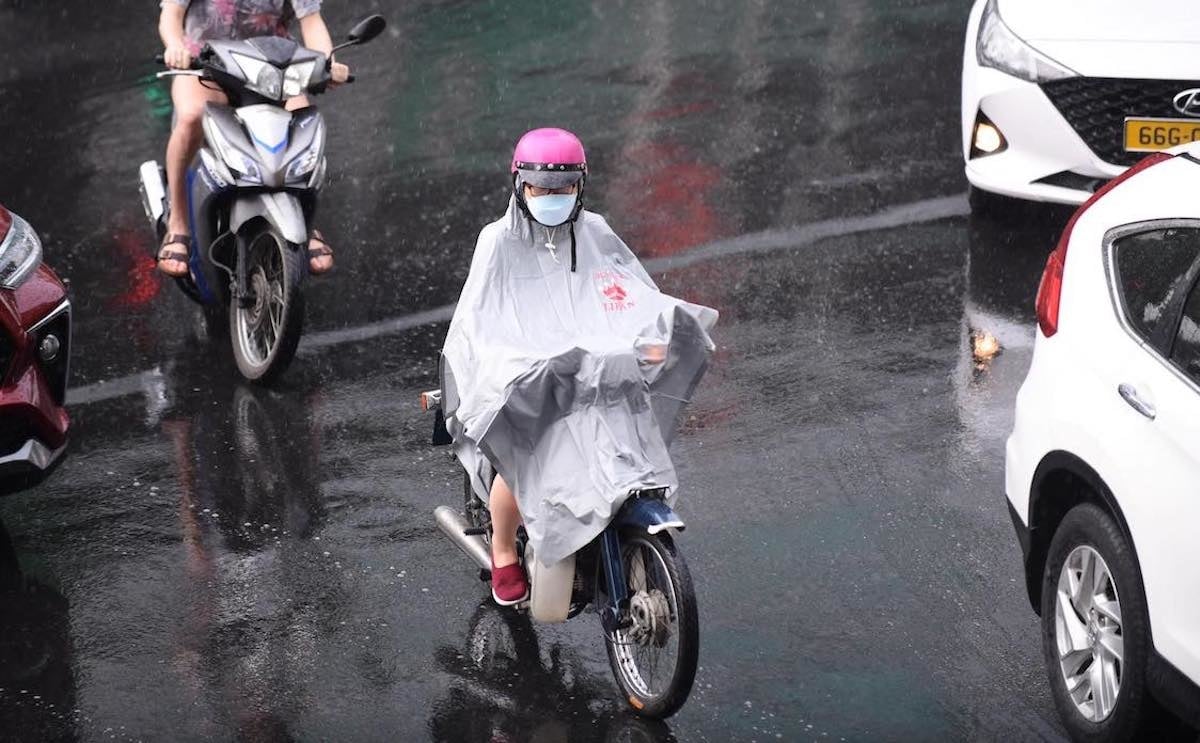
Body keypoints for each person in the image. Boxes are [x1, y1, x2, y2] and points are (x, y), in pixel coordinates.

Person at [443, 128, 716, 607]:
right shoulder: (497, 242)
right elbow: (480, 321)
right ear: (520, 185)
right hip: (531, 368)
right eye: (541, 189)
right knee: (523, 457)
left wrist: (658, 332)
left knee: (624, 425)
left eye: (563, 188)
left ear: (580, 185)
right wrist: (516, 362)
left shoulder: (595, 232)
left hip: (590, 365)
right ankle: (504, 551)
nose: (553, 197)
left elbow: (630, 292)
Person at [155, 0, 349, 277]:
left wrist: (328, 63)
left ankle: (304, 218)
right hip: (206, 68)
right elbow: (171, 14)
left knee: (303, 124)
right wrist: (176, 46)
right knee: (190, 117)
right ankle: (178, 222)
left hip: (274, 71)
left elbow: (312, 21)